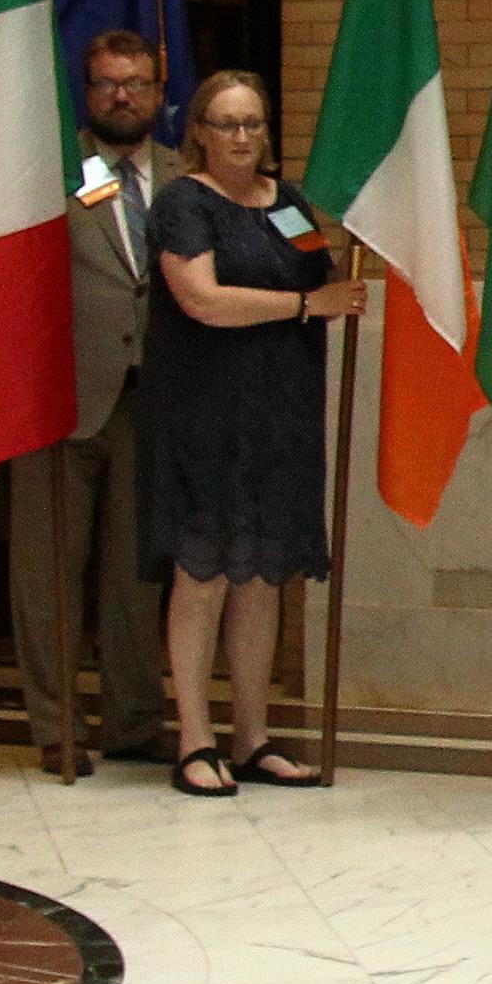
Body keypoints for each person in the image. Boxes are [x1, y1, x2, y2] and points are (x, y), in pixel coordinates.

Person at [139, 69, 358, 796]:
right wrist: (303, 307)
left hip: (281, 411)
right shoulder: (183, 204)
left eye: (253, 124)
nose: (241, 138)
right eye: (227, 124)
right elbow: (201, 299)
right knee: (201, 573)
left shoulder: (288, 201)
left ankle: (253, 736)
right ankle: (196, 739)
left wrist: (326, 296)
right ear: (198, 130)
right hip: (205, 412)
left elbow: (323, 280)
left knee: (263, 575)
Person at [10, 28, 172, 774]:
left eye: (135, 82)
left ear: (158, 90)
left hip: (155, 402)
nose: (122, 95)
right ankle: (56, 724)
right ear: (87, 91)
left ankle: (134, 721)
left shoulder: (182, 175)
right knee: (50, 572)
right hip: (62, 398)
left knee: (137, 576)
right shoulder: (49, 173)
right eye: (108, 83)